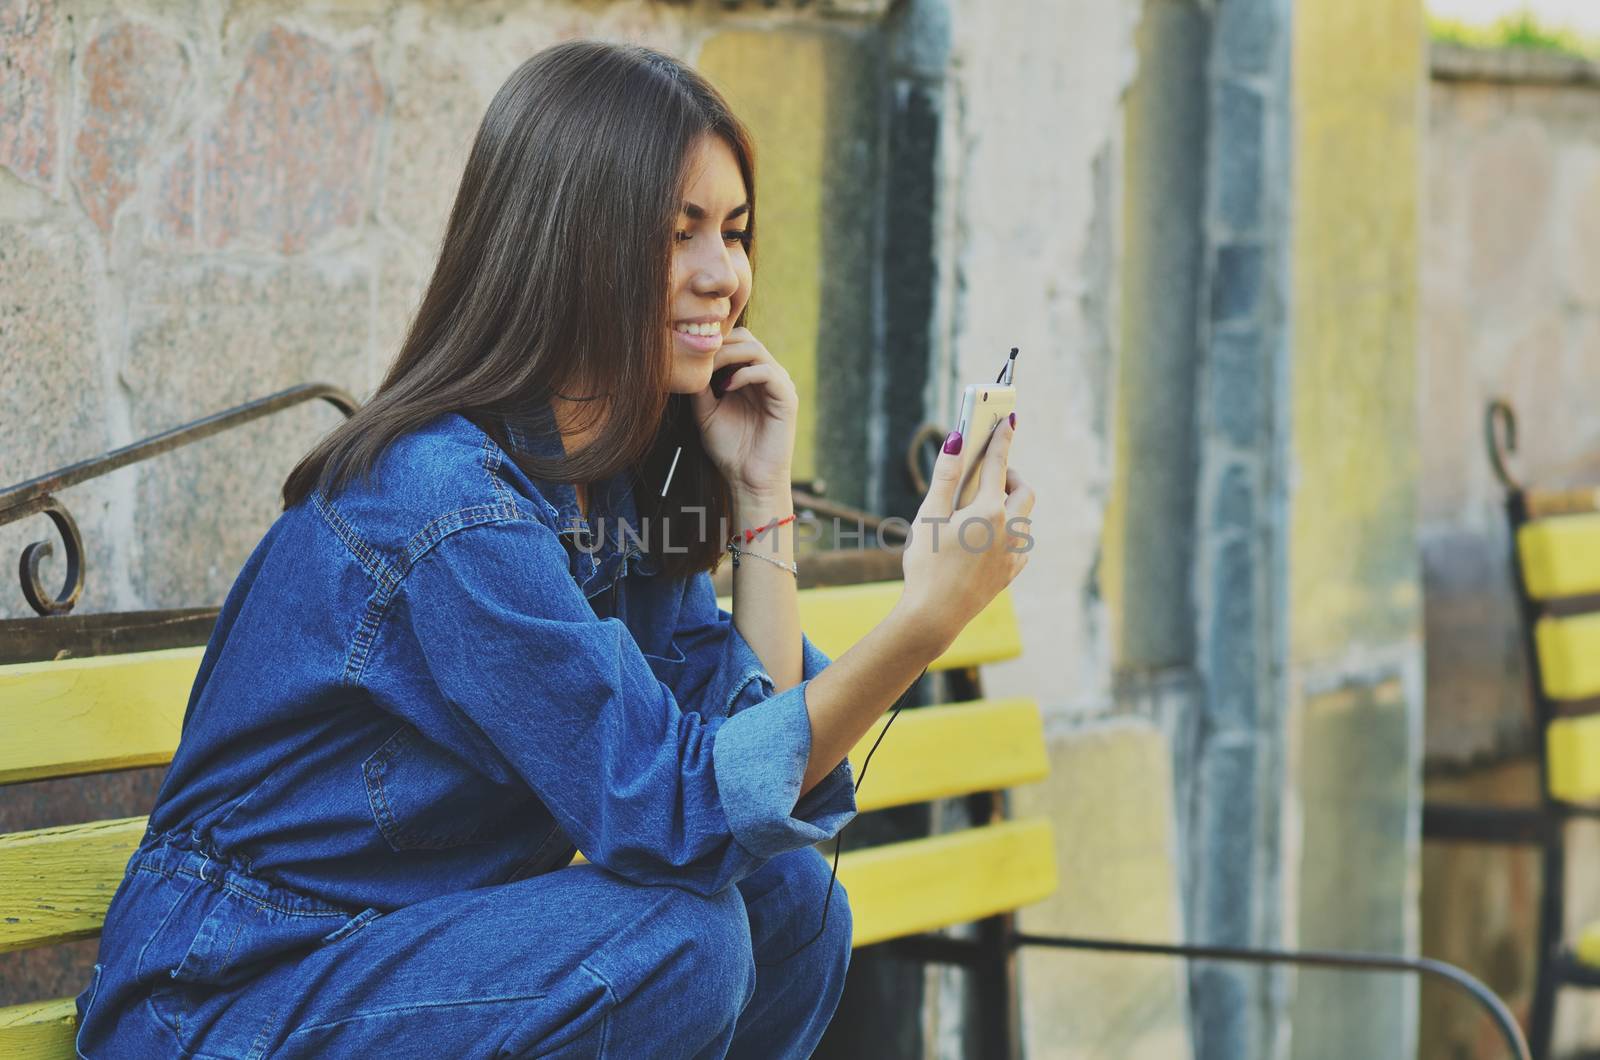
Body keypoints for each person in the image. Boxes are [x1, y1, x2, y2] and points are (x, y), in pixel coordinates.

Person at [72, 39, 1034, 1059]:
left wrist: (759, 493)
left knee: (791, 902)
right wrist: (925, 618)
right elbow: (674, 810)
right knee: (684, 940)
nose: (725, 276)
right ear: (572, 244)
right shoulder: (445, 506)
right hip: (223, 1001)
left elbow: (739, 757)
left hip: (397, 963)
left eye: (736, 233)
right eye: (680, 235)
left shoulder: (612, 484)